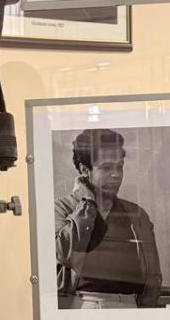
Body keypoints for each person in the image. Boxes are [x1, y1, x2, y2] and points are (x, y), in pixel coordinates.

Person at [55, 129, 162, 310]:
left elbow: (153, 276)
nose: (116, 174)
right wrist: (87, 203)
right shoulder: (63, 209)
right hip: (83, 305)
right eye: (106, 168)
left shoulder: (136, 214)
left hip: (131, 307)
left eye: (119, 167)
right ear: (84, 170)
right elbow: (63, 254)